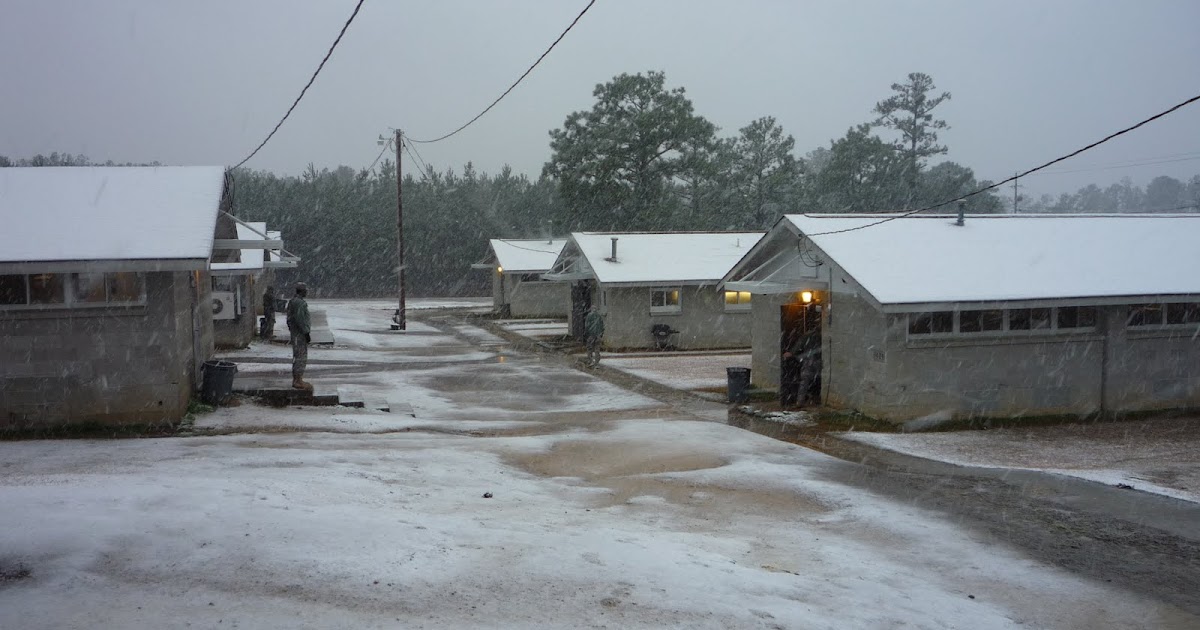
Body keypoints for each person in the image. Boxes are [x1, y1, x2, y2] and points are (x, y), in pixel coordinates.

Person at [286, 282, 313, 390]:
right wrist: (306, 332)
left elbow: (289, 319)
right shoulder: (300, 303)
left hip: (295, 332)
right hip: (300, 334)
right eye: (305, 290)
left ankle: (297, 379)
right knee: (301, 357)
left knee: (297, 356)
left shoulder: (292, 301)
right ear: (302, 291)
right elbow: (300, 319)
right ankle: (298, 380)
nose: (307, 292)